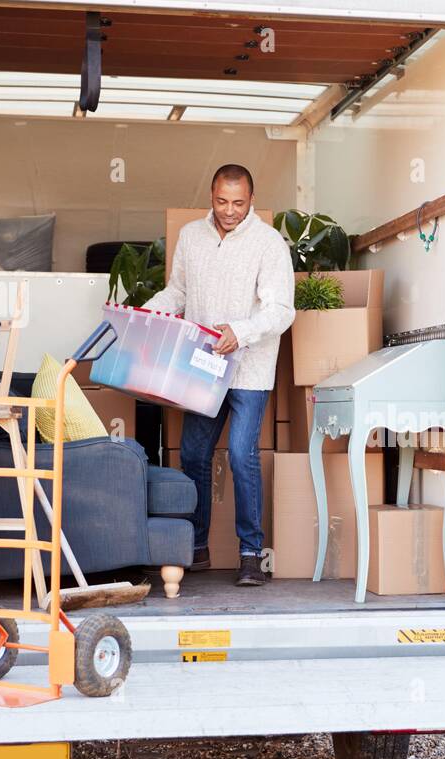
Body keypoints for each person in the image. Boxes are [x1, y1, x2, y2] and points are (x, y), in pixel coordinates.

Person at [143, 164, 294, 586]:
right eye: (222, 201)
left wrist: (240, 333)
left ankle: (250, 554)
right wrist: (146, 313)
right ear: (211, 195)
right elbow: (178, 292)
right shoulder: (192, 236)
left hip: (249, 369)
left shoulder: (268, 244)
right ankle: (194, 546)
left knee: (243, 456)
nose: (229, 211)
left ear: (252, 200)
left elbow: (281, 310)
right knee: (193, 455)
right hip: (203, 367)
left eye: (239, 203)